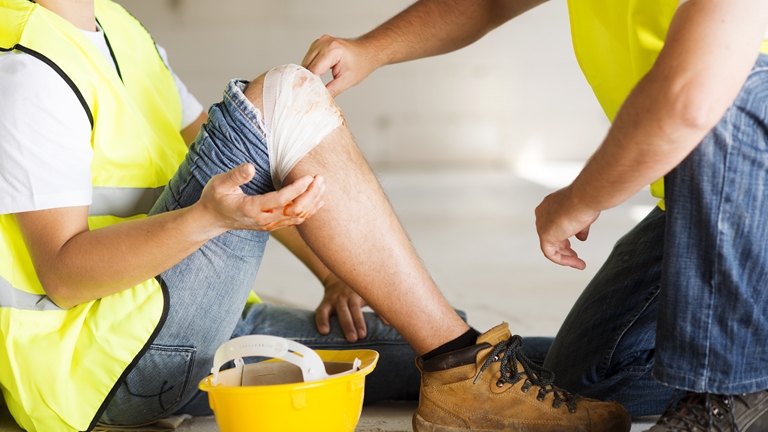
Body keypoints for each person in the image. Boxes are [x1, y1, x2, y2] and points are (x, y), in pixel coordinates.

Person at [0, 0, 630, 431]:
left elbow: (235, 150)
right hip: (105, 371)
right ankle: (459, 362)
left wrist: (334, 270)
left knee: (511, 361)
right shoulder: (30, 65)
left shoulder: (114, 26)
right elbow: (63, 274)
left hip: (175, 330)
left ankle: (689, 391)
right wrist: (205, 222)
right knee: (282, 92)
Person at [303, 0, 768, 430]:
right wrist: (370, 50)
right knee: (590, 378)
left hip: (750, 182)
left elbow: (693, 97)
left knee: (727, 83)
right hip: (700, 203)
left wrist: (582, 197)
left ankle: (729, 392)